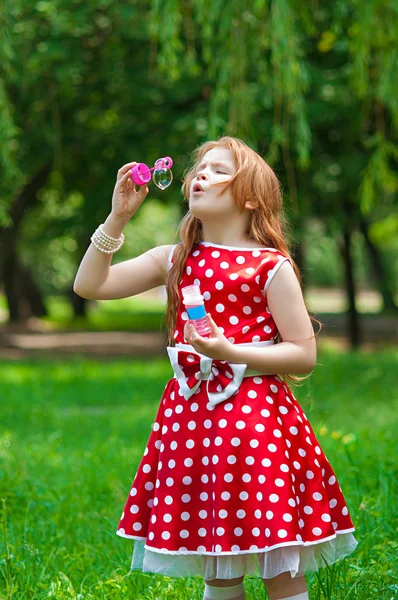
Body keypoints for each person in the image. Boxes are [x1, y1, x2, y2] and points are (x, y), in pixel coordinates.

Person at [74, 136, 358, 600]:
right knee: (217, 560)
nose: (200, 175)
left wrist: (231, 352)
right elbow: (90, 285)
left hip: (256, 427)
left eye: (218, 169)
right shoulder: (175, 259)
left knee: (277, 555)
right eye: (198, 169)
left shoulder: (270, 266)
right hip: (193, 427)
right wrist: (118, 217)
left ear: (250, 196)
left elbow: (302, 353)